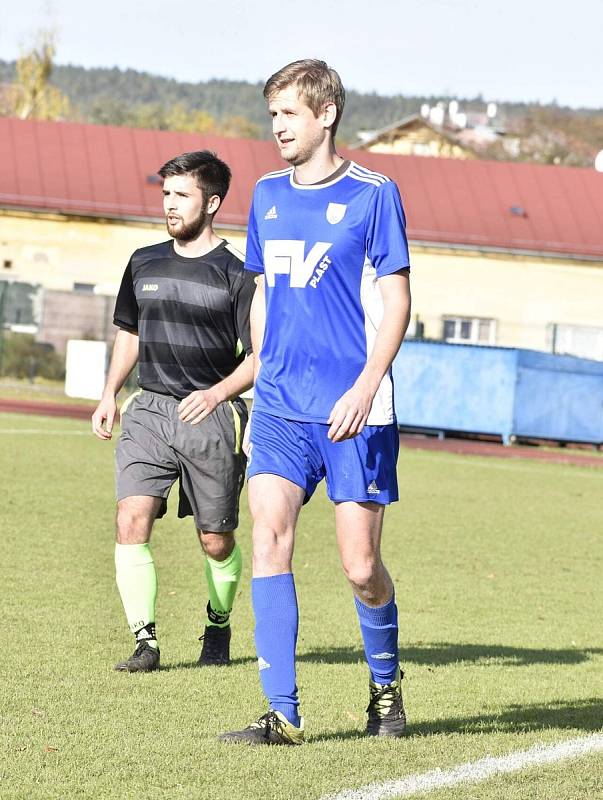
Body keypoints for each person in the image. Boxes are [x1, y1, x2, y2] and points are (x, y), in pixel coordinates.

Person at [220, 60, 411, 745]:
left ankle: (385, 687)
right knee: (268, 539)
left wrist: (365, 386)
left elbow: (396, 301)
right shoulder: (267, 195)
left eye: (289, 115)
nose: (277, 128)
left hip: (355, 410)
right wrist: (260, 372)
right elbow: (263, 293)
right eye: (272, 116)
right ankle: (284, 713)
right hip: (279, 409)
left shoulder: (373, 194)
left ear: (325, 114)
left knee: (360, 569)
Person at [92, 150, 255, 673]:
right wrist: (110, 393)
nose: (169, 204)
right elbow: (129, 333)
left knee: (215, 538)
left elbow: (260, 357)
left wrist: (218, 395)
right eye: (166, 193)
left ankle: (218, 622)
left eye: (181, 195)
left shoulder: (239, 275)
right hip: (149, 410)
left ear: (212, 202)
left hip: (210, 414)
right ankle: (146, 643)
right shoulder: (143, 262)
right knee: (130, 517)